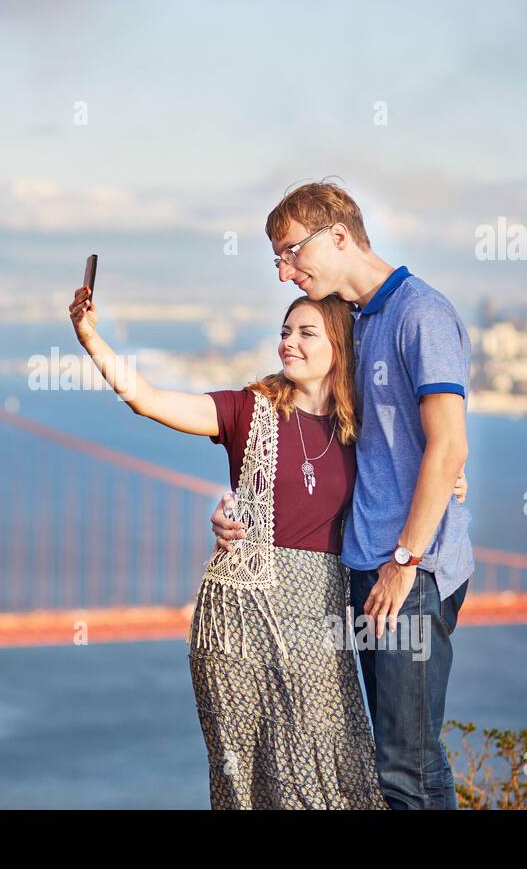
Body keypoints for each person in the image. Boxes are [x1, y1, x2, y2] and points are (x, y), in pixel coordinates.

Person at [67, 281, 465, 809]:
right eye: (284, 332)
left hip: (319, 613)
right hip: (237, 619)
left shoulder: (361, 429)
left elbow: (432, 457)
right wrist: (90, 338)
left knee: (338, 773)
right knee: (250, 783)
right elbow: (147, 399)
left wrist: (454, 481)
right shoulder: (245, 411)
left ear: (339, 347)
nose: (289, 343)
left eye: (306, 333)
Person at [212, 180, 474, 809]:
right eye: (276, 259)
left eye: (291, 252)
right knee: (399, 760)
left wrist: (404, 563)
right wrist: (236, 508)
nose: (284, 272)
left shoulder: (421, 314)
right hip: (364, 567)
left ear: (337, 236)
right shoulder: (353, 324)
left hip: (410, 572)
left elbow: (447, 447)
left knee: (403, 770)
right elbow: (333, 438)